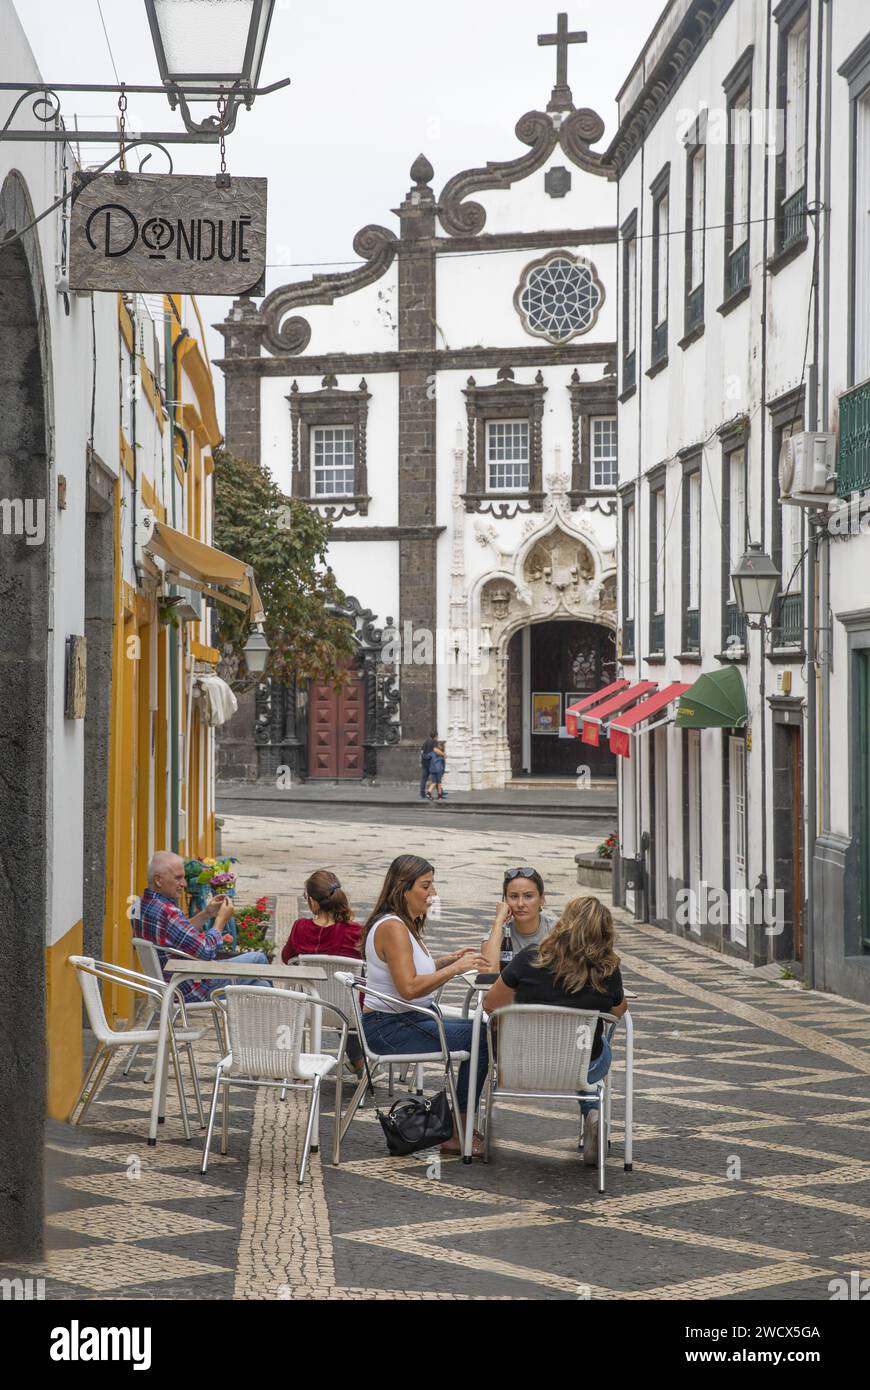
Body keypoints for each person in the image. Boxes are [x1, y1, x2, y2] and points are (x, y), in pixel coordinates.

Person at [483, 896, 628, 1165]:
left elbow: (490, 1005)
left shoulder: (530, 958)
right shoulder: (607, 969)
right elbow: (618, 1014)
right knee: (599, 1044)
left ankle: (478, 1132)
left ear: (564, 923)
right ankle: (592, 1112)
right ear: (605, 932)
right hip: (581, 1067)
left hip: (522, 1065)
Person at [361, 855, 490, 1156]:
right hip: (390, 1028)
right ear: (402, 888)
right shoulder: (393, 927)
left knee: (484, 1030)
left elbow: (408, 972)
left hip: (406, 1020)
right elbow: (408, 988)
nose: (433, 893)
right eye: (426, 886)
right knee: (483, 1037)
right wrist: (455, 969)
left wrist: (447, 960)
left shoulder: (401, 924)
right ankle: (457, 1130)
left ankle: (458, 1123)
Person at [137, 851, 271, 1002]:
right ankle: (281, 1014)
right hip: (191, 988)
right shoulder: (169, 912)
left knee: (263, 986)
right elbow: (206, 951)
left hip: (173, 984)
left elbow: (179, 934)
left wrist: (207, 913)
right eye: (178, 878)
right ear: (158, 880)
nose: (184, 884)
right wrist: (221, 920)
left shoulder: (142, 905)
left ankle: (270, 1015)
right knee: (259, 959)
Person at [281, 870, 366, 1076]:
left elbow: (286, 957)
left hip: (309, 1005)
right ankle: (362, 1062)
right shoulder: (355, 932)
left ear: (312, 901)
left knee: (334, 998)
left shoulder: (300, 928)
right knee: (350, 996)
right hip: (350, 1008)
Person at [481, 867, 557, 972]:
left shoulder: (558, 930)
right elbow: (487, 972)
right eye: (514, 896)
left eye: (528, 896)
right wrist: (498, 921)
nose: (520, 904)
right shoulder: (497, 933)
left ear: (541, 899)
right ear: (505, 901)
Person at [419, 732, 437, 800]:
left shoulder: (425, 742)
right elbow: (436, 752)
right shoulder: (435, 742)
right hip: (432, 764)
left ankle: (422, 794)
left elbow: (421, 752)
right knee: (436, 779)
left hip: (424, 763)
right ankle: (440, 793)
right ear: (435, 736)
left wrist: (421, 761)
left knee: (423, 779)